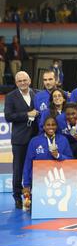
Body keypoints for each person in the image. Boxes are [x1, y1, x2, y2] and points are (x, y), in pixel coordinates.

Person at [4, 71, 39, 209]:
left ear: (30, 80)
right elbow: (8, 116)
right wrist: (27, 114)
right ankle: (17, 197)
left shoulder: (37, 93)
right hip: (20, 139)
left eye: (25, 80)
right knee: (18, 169)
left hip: (36, 137)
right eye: (20, 81)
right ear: (16, 83)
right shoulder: (11, 96)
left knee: (36, 168)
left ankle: (35, 195)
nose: (23, 83)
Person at [22, 116, 73, 191]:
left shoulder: (63, 140)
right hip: (39, 181)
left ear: (57, 126)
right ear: (43, 127)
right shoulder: (34, 141)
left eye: (53, 125)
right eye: (48, 125)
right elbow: (28, 163)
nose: (51, 127)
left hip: (58, 180)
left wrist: (58, 156)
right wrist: (26, 184)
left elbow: (70, 160)